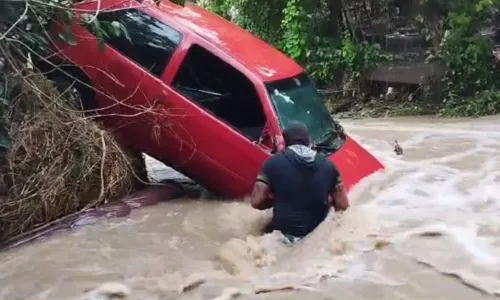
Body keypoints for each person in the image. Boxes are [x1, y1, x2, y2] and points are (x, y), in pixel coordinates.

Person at [246, 121, 349, 244]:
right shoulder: (330, 166)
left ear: (285, 142)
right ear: (309, 141)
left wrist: (279, 200)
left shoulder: (271, 164)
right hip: (317, 237)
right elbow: (343, 206)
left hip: (282, 237)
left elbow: (256, 202)